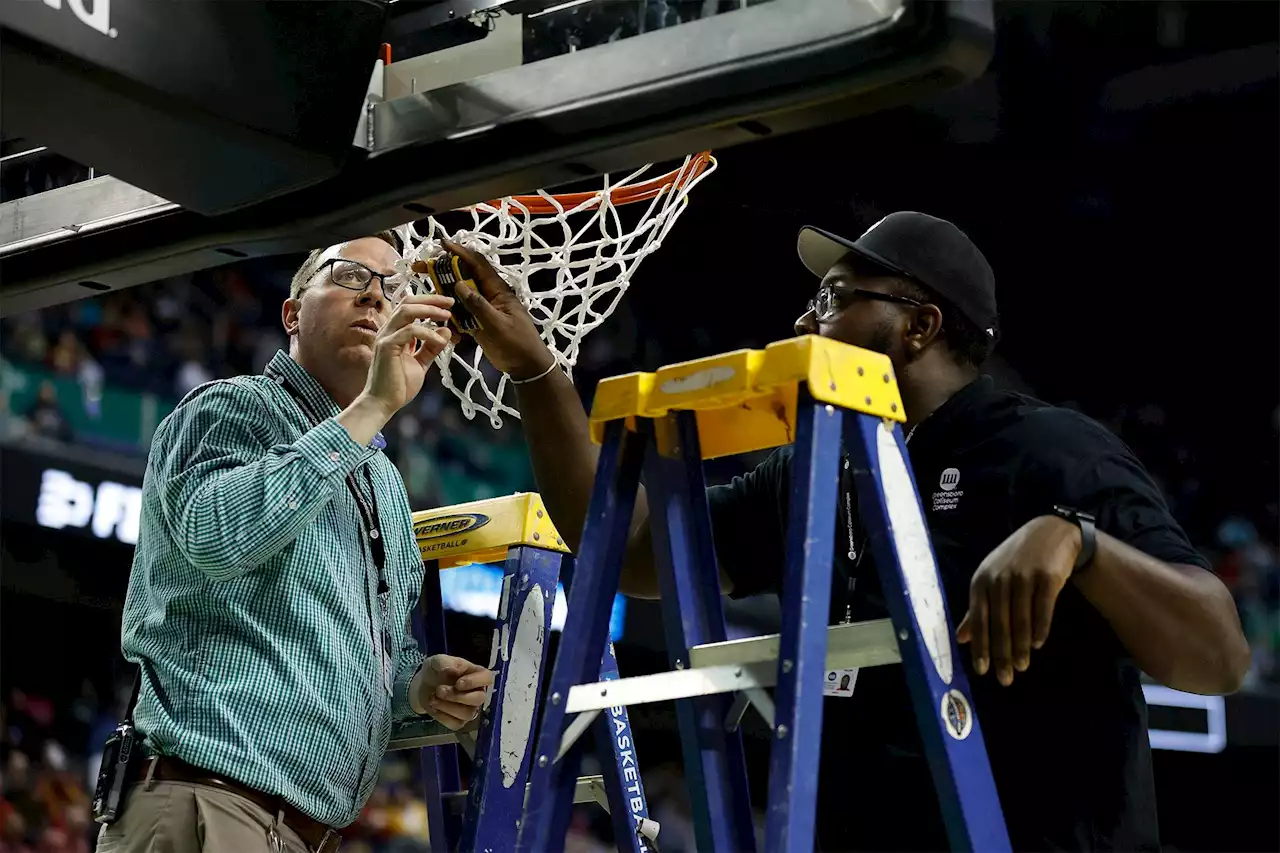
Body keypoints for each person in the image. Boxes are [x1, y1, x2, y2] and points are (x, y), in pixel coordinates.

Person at [439, 213, 1250, 851]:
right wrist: (537, 372)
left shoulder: (1048, 449)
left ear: (920, 327)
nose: (804, 314)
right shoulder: (820, 466)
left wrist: (1078, 540)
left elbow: (1217, 654)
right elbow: (634, 551)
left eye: (834, 295)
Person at [99, 234, 495, 853]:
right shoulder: (232, 408)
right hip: (209, 802)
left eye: (393, 287)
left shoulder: (385, 484)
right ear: (291, 314)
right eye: (347, 276)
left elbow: (358, 664)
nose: (373, 295)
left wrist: (417, 685)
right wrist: (372, 408)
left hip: (304, 834)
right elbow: (215, 535)